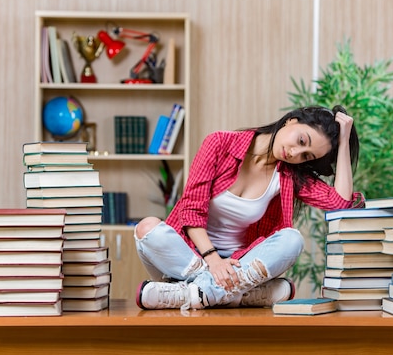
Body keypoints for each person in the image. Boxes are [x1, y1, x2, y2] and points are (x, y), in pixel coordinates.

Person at [134, 105, 365, 312]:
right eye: (301, 141)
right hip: (193, 255)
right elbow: (191, 210)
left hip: (239, 263)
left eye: (306, 156)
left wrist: (343, 142)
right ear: (291, 121)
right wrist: (213, 261)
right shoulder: (220, 143)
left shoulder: (288, 175)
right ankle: (235, 295)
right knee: (147, 229)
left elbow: (340, 203)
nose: (295, 153)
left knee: (292, 239)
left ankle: (194, 293)